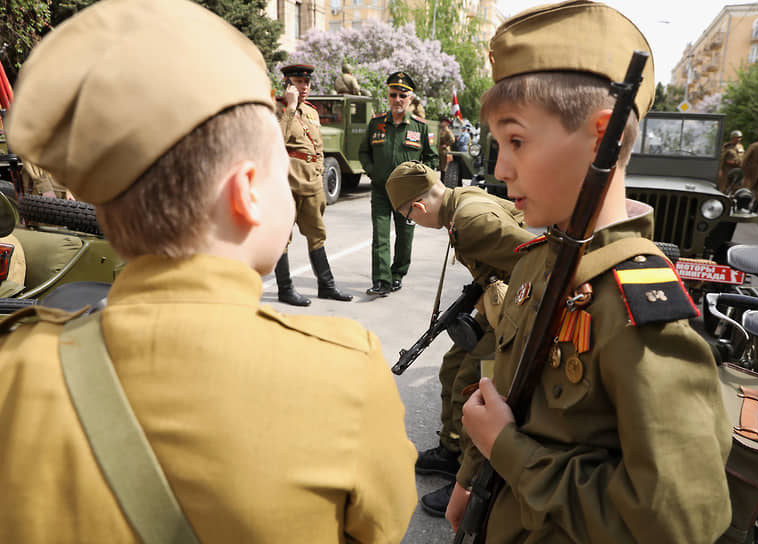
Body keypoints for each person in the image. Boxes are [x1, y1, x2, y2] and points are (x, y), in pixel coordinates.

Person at [0, 1, 417, 543]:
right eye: (278, 170)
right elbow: (385, 524)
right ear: (246, 192)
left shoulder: (14, 374)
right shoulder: (346, 372)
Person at [445, 2, 732, 542]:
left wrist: (508, 451)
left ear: (603, 136)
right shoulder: (541, 258)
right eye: (498, 144)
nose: (500, 168)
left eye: (517, 141)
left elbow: (682, 521)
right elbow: (512, 393)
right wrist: (471, 476)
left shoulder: (633, 305)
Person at [385, 160, 534, 518]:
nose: (413, 221)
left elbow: (540, 256)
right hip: (502, 298)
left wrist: (505, 296)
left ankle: (469, 481)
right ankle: (452, 450)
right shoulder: (460, 200)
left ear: (417, 207)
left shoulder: (469, 222)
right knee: (453, 365)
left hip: (524, 307)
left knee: (471, 383)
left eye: (408, 216)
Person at [275, 63, 353, 306]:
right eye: (299, 82)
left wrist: (319, 170)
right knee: (281, 237)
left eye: (307, 83)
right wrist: (289, 107)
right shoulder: (276, 109)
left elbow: (318, 147)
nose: (304, 87)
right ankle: (285, 289)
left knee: (317, 234)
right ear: (287, 83)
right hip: (288, 181)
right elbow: (277, 139)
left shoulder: (311, 112)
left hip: (311, 181)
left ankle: (326, 286)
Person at [359, 71, 438, 296]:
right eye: (393, 95)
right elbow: (363, 152)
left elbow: (431, 158)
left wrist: (423, 183)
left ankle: (397, 274)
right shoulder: (376, 124)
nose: (397, 100)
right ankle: (381, 281)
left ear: (410, 98)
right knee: (380, 236)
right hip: (382, 191)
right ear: (388, 95)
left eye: (402, 96)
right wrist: (373, 172)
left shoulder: (420, 127)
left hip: (408, 194)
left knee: (405, 237)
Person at [718, 129, 744, 193]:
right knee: (724, 187)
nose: (739, 139)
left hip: (738, 170)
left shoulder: (740, 146)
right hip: (727, 170)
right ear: (733, 138)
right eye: (737, 138)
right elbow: (721, 158)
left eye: (740, 137)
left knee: (736, 188)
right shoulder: (727, 146)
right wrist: (720, 170)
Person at [438, 117, 456, 182]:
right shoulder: (442, 130)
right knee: (441, 167)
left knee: (444, 167)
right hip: (440, 151)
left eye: (443, 122)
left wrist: (446, 145)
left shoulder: (447, 131)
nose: (441, 123)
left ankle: (444, 181)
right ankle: (441, 180)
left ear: (447, 123)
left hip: (445, 152)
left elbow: (452, 139)